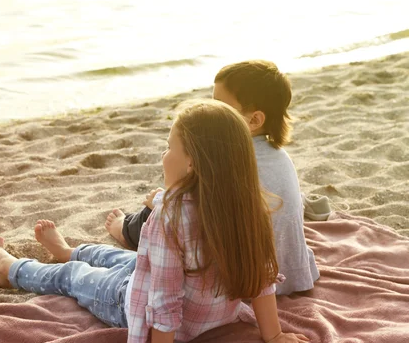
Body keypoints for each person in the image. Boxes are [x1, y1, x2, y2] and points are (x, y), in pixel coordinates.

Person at [0, 102, 314, 343]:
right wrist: (273, 335)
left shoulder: (170, 218)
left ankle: (10, 269)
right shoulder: (249, 205)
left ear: (191, 163)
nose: (163, 156)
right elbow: (262, 277)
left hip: (136, 308)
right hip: (208, 313)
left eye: (170, 147)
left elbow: (164, 296)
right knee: (123, 259)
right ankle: (70, 250)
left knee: (74, 277)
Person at [106, 60, 319, 295]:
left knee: (163, 209)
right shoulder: (278, 155)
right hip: (295, 271)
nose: (211, 109)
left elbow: (195, 212)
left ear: (254, 120)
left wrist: (159, 200)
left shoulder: (232, 159)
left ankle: (125, 231)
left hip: (254, 281)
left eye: (221, 106)